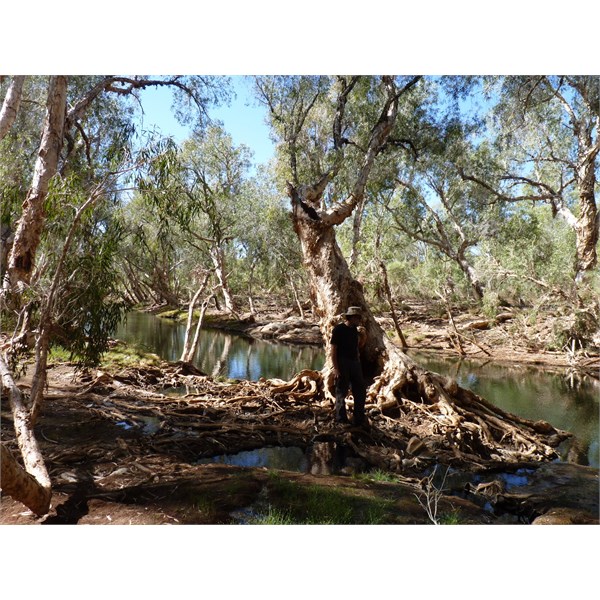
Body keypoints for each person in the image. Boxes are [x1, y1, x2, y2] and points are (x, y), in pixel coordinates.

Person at [330, 306, 367, 427]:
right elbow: (333, 350)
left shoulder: (355, 330)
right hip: (342, 362)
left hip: (355, 363)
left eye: (359, 318)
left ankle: (359, 417)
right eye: (357, 318)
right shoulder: (338, 329)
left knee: (360, 389)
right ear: (351, 317)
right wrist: (335, 368)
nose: (359, 320)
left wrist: (363, 337)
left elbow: (358, 347)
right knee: (341, 390)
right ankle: (341, 418)